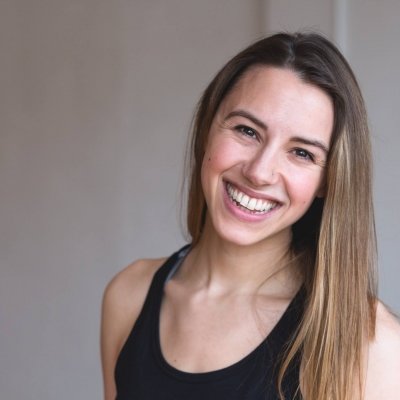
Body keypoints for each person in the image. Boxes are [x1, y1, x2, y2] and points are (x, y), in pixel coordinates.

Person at [101, 32, 400, 400]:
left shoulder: (369, 345)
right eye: (247, 130)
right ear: (208, 129)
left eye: (302, 153)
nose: (260, 171)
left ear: (329, 180)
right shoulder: (129, 295)